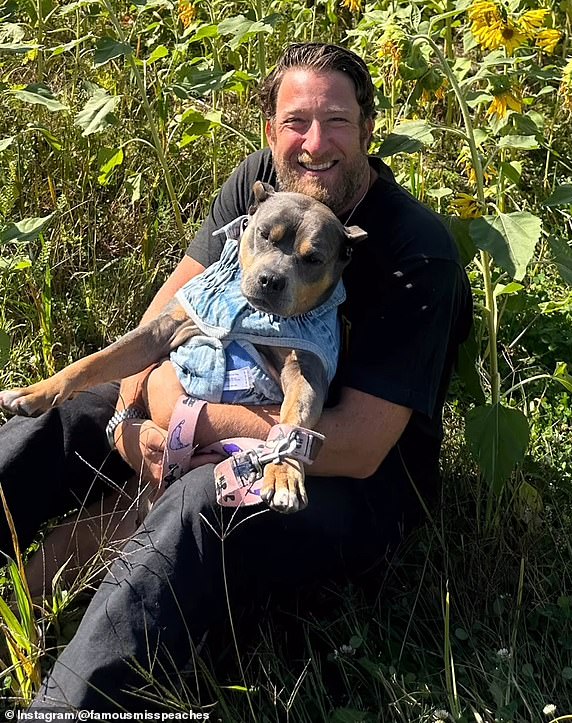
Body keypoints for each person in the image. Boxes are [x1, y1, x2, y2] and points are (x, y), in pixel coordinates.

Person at [0, 42, 472, 711]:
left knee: (203, 499)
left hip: (344, 479)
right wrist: (128, 420)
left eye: (336, 121)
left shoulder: (414, 250)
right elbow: (168, 313)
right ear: (269, 130)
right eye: (295, 122)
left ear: (369, 130)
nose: (314, 143)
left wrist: (189, 423)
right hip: (212, 385)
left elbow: (361, 447)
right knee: (60, 413)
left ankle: (72, 706)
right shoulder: (261, 184)